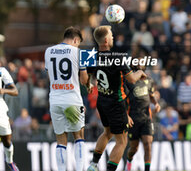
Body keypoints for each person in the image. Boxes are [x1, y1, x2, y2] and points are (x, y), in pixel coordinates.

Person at [87, 26, 147, 171]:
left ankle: (94, 165)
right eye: (112, 35)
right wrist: (139, 72)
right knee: (121, 141)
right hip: (116, 103)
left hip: (102, 101)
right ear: (106, 40)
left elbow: (85, 75)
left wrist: (88, 83)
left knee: (107, 133)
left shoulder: (92, 57)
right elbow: (132, 79)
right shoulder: (117, 58)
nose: (113, 37)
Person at [44, 27, 88, 171]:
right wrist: (89, 84)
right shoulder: (79, 53)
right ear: (76, 40)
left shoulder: (48, 51)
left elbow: (50, 76)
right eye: (78, 43)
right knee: (79, 137)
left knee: (61, 141)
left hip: (55, 100)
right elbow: (83, 80)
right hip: (72, 100)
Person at [125, 68, 161, 171]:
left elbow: (152, 94)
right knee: (133, 148)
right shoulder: (129, 82)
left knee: (148, 144)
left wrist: (156, 103)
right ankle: (129, 161)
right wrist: (126, 116)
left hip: (146, 118)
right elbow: (123, 100)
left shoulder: (149, 81)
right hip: (133, 119)